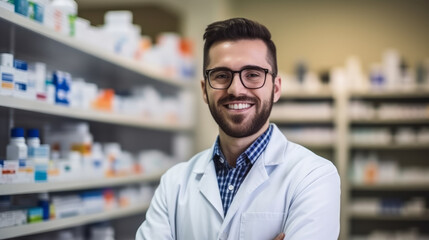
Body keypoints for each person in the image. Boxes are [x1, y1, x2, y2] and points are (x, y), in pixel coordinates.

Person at [136, 17, 340, 240]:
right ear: (205, 90)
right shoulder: (174, 183)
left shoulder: (313, 176)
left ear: (276, 88)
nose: (236, 89)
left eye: (252, 74)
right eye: (222, 76)